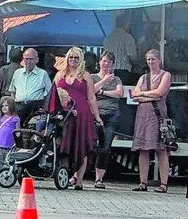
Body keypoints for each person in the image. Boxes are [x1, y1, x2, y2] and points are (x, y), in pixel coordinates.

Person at [53, 46, 100, 189]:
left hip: (81, 113)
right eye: (71, 57)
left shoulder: (85, 75)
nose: (73, 60)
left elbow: (91, 97)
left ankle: (79, 180)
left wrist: (97, 117)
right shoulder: (59, 74)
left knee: (81, 145)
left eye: (76, 57)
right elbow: (54, 94)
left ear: (81, 60)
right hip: (64, 114)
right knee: (64, 144)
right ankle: (65, 175)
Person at [131, 48, 173, 193]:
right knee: (142, 149)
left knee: (161, 149)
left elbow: (160, 93)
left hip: (157, 116)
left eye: (153, 59)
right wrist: (149, 95)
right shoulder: (143, 77)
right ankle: (142, 182)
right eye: (148, 59)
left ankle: (164, 184)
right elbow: (134, 96)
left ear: (159, 60)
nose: (150, 62)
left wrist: (142, 94)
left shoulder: (165, 75)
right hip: (142, 116)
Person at [91, 51, 124, 188]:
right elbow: (90, 91)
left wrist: (103, 92)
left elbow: (119, 94)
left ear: (113, 64)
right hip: (94, 114)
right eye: (104, 61)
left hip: (111, 115)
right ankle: (77, 176)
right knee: (88, 146)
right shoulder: (92, 77)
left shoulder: (117, 80)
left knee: (105, 147)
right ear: (100, 62)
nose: (106, 64)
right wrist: (104, 81)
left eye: (109, 62)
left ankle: (99, 179)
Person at [9, 47, 52, 121]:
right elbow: (12, 91)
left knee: (32, 131)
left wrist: (44, 107)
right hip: (19, 108)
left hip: (35, 108)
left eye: (31, 59)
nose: (28, 61)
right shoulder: (17, 73)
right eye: (26, 59)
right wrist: (14, 107)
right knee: (17, 131)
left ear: (37, 60)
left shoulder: (43, 74)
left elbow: (50, 92)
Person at [102, 16, 140, 84]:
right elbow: (132, 57)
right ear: (126, 23)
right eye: (129, 23)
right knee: (122, 92)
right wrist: (139, 64)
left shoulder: (107, 38)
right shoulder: (127, 37)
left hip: (109, 70)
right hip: (123, 72)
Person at [0, 97, 20, 178]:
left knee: (10, 163)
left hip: (10, 145)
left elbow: (17, 131)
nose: (4, 107)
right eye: (2, 105)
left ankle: (9, 177)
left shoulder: (15, 119)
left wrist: (17, 140)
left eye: (6, 105)